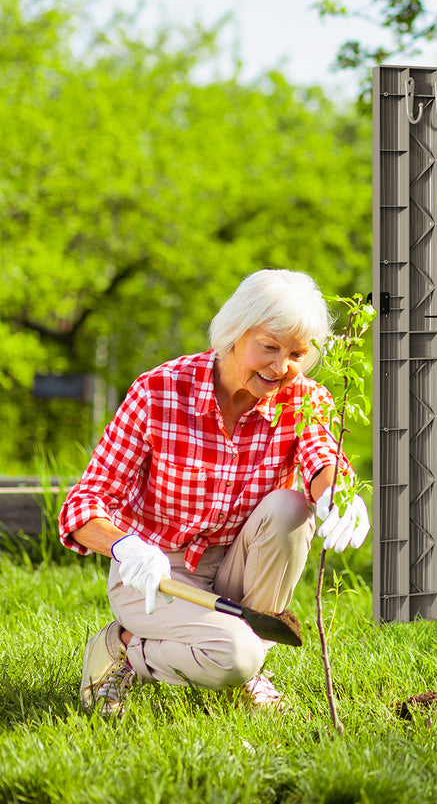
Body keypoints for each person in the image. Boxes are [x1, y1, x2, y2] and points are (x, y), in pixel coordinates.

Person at [58, 269, 369, 715]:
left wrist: (337, 493)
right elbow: (82, 504)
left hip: (236, 566)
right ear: (234, 333)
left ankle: (223, 658)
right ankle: (123, 647)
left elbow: (322, 455)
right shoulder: (160, 391)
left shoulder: (304, 398)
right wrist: (125, 547)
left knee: (291, 507)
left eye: (297, 353)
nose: (281, 367)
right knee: (238, 655)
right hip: (155, 576)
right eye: (269, 347)